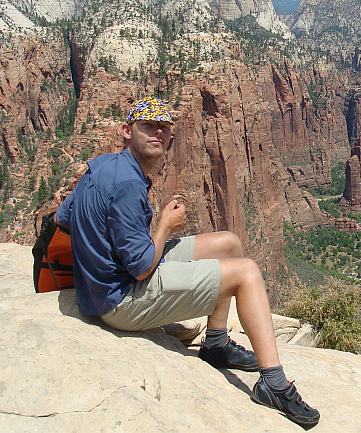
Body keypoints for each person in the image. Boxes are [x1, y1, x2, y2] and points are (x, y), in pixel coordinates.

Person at [54, 97, 319, 428]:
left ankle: (217, 343)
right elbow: (141, 268)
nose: (157, 134)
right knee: (247, 273)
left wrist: (96, 254)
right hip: (120, 301)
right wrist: (165, 225)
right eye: (147, 126)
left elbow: (62, 218)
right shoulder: (127, 183)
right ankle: (275, 384)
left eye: (163, 129)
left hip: (114, 279)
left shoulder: (103, 164)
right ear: (126, 130)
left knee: (229, 244)